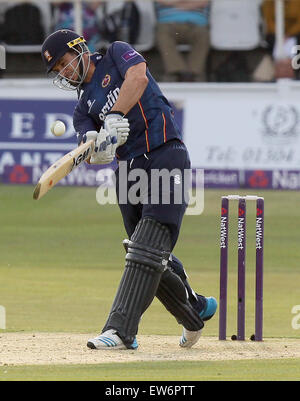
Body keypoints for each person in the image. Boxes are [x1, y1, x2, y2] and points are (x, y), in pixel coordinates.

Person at [41, 29, 217, 350]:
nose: (65, 72)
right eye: (59, 71)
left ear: (79, 49)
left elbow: (139, 78)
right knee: (146, 252)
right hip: (128, 173)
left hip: (164, 153)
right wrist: (98, 148)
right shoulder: (82, 107)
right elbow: (89, 148)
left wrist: (115, 115)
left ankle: (121, 331)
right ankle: (194, 309)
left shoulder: (116, 54)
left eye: (65, 63)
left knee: (147, 246)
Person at [155, 0, 210, 82]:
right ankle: (177, 72)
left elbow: (203, 2)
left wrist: (175, 4)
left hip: (197, 24)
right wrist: (188, 4)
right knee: (162, 35)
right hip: (167, 24)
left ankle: (193, 73)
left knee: (203, 35)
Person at [262, 0, 300, 80]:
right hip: (275, 34)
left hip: (294, 33)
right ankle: (277, 71)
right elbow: (268, 20)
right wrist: (279, 34)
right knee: (271, 44)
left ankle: (294, 71)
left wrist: (289, 34)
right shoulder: (269, 2)